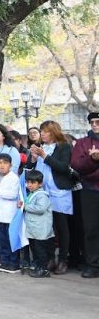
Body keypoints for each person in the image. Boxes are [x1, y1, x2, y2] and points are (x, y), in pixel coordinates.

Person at [30, 120, 74, 274]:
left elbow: (62, 167)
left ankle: (63, 260)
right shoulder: (42, 148)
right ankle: (49, 258)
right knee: (47, 227)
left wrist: (45, 156)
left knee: (62, 227)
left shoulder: (64, 147)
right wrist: (34, 159)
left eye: (46, 131)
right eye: (41, 131)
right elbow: (33, 170)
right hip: (43, 192)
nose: (42, 133)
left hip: (59, 192)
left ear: (54, 132)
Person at [70, 110, 99, 278]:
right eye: (92, 122)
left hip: (91, 183)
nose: (94, 125)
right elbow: (77, 165)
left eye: (97, 122)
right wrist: (93, 160)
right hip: (90, 191)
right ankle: (93, 264)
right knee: (91, 229)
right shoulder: (82, 143)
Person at [24, 169, 54, 278]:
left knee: (41, 251)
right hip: (34, 229)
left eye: (33, 182)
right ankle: (38, 267)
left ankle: (43, 269)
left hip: (40, 230)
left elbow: (41, 209)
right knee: (35, 250)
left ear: (40, 183)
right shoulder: (32, 194)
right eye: (28, 182)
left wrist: (25, 207)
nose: (29, 185)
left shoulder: (42, 195)